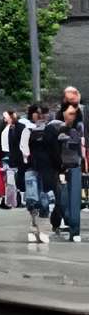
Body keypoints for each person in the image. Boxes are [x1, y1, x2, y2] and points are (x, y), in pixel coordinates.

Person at [24, 103, 60, 250]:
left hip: (48, 170)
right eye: (37, 113)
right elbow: (21, 150)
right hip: (31, 169)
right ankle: (33, 228)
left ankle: (43, 229)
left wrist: (59, 167)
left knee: (45, 201)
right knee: (33, 201)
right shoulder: (26, 130)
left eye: (43, 113)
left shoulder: (51, 129)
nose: (40, 116)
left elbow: (55, 151)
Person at [59, 100, 86, 244]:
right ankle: (69, 221)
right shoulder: (57, 127)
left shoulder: (79, 129)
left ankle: (75, 230)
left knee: (74, 200)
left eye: (74, 114)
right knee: (63, 200)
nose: (71, 116)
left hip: (75, 166)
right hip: (60, 168)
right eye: (69, 113)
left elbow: (80, 145)